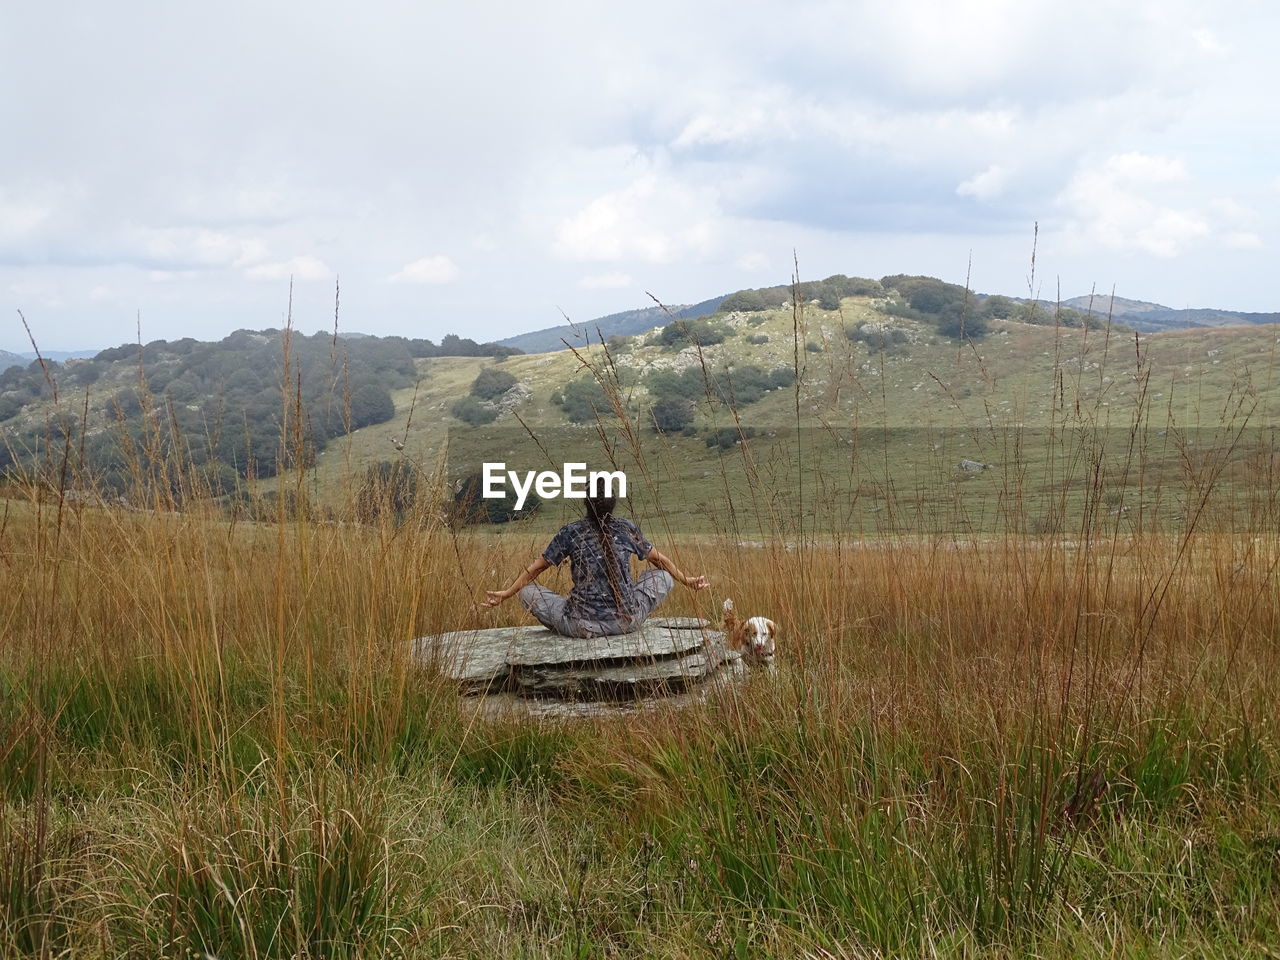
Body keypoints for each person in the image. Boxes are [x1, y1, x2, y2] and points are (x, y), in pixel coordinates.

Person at [482, 485, 709, 637]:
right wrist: (686, 580)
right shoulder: (626, 528)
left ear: (585, 503)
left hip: (580, 625)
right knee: (663, 577)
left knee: (527, 592)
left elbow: (537, 568)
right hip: (626, 622)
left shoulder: (571, 531)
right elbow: (661, 561)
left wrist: (508, 592)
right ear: (613, 504)